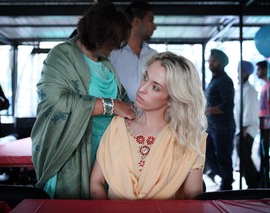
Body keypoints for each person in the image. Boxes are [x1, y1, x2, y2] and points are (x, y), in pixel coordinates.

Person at [31, 2, 136, 199]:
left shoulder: (105, 63)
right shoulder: (61, 55)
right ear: (98, 36)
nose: (115, 48)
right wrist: (111, 106)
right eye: (112, 41)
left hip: (106, 154)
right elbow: (56, 103)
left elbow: (123, 101)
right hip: (73, 148)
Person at [90, 51, 208, 200]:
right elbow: (96, 183)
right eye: (145, 77)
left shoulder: (189, 140)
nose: (142, 89)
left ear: (172, 99)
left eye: (155, 87)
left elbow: (193, 196)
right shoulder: (116, 127)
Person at [109, 0, 157, 102]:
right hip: (118, 116)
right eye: (150, 20)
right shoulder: (112, 53)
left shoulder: (154, 56)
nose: (154, 26)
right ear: (136, 22)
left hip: (147, 116)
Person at [205, 49, 235, 190]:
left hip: (224, 127)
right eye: (210, 59)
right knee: (208, 154)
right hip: (212, 126)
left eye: (214, 60)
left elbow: (227, 105)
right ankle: (225, 178)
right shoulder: (214, 80)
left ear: (222, 63)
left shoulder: (224, 81)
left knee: (223, 157)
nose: (210, 62)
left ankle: (227, 186)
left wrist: (206, 111)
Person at [234, 60, 260, 188]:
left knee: (245, 159)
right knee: (244, 159)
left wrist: (243, 129)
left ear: (245, 73)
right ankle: (256, 183)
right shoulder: (241, 88)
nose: (238, 73)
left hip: (246, 130)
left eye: (240, 70)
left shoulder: (250, 90)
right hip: (240, 129)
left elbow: (249, 111)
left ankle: (254, 185)